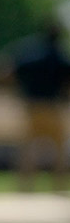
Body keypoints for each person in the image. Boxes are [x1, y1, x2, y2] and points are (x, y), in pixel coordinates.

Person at [9, 23, 70, 191]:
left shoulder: (32, 54)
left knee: (28, 148)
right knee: (59, 149)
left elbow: (10, 70)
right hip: (52, 106)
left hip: (33, 106)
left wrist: (19, 90)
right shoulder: (60, 55)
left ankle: (25, 188)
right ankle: (59, 187)